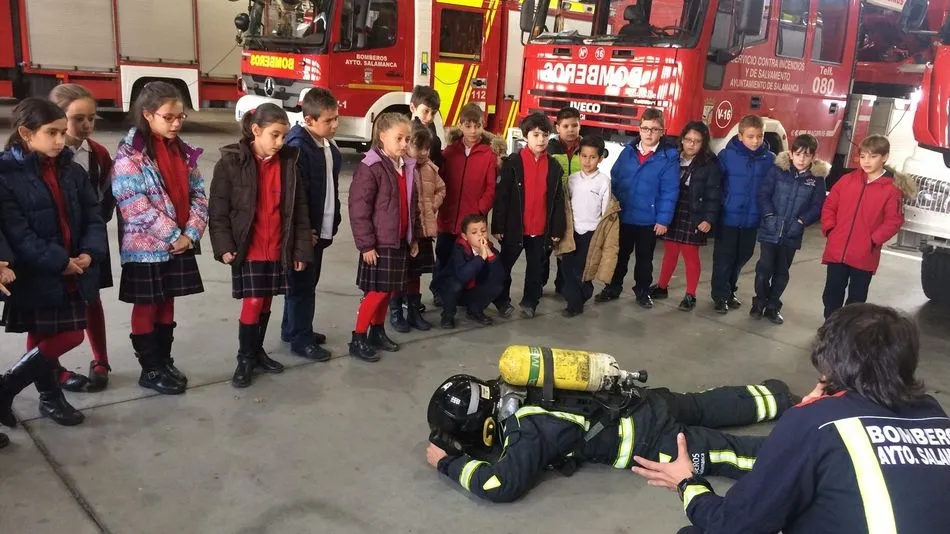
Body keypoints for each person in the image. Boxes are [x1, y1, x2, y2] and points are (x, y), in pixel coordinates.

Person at [633, 303, 950, 533]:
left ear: (829, 364)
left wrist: (688, 483)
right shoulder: (932, 413)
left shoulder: (816, 422)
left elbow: (733, 525)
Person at [425, 350, 799, 503]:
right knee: (708, 403)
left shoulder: (527, 429)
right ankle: (781, 398)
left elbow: (499, 485)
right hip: (644, 399)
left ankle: (799, 458)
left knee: (727, 454)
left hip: (652, 440)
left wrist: (448, 462)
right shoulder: (520, 378)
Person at [0, 97, 108, 427]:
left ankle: (31, 395)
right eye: (52, 133)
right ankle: (24, 392)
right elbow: (18, 232)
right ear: (25, 133)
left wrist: (89, 252)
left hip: (74, 267)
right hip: (38, 272)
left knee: (50, 335)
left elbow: (94, 215)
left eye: (63, 132)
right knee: (64, 335)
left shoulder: (70, 170)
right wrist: (59, 262)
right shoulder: (6, 174)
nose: (61, 141)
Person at [112, 81, 209, 396]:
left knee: (167, 302)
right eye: (168, 117)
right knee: (146, 307)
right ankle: (150, 369)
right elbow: (134, 204)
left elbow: (199, 195)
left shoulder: (183, 150)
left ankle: (164, 361)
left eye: (180, 116)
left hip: (179, 244)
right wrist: (173, 235)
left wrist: (191, 233)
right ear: (148, 115)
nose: (177, 123)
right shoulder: (130, 156)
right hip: (146, 249)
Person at [209, 104, 312, 388]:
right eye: (275, 135)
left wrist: (300, 249)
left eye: (284, 136)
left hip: (278, 246)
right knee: (253, 301)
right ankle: (244, 358)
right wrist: (223, 244)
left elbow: (299, 209)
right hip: (249, 247)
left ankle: (256, 351)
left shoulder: (289, 164)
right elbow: (218, 209)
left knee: (266, 300)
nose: (281, 143)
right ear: (255, 130)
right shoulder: (231, 162)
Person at [48, 83, 115, 392]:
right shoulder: (47, 154)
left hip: (88, 243)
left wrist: (92, 242)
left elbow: (104, 200)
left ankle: (100, 359)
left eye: (91, 118)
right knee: (49, 306)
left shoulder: (99, 155)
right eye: (78, 118)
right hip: (53, 245)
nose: (87, 125)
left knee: (92, 298)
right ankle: (50, 367)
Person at [348, 112, 421, 362]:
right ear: (382, 137)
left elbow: (413, 205)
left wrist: (412, 238)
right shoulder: (371, 167)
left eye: (407, 139)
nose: (404, 144)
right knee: (376, 292)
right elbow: (359, 208)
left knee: (388, 291)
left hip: (399, 240)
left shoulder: (406, 166)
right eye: (399, 138)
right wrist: (366, 244)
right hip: (379, 243)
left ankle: (376, 333)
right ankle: (358, 337)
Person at [820, 135, 916, 319]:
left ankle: (848, 331)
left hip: (864, 254)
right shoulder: (847, 180)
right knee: (832, 292)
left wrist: (873, 240)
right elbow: (830, 205)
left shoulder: (891, 189)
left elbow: (894, 220)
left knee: (857, 298)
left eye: (873, 156)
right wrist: (830, 229)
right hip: (837, 249)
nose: (866, 161)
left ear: (885, 157)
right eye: (863, 156)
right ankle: (830, 326)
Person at [596, 108, 679, 309]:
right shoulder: (628, 152)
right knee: (619, 256)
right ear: (639, 130)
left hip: (648, 221)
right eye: (645, 128)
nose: (649, 133)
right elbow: (616, 178)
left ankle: (642, 291)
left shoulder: (668, 159)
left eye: (654, 129)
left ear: (662, 131)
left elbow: (670, 191)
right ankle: (612, 287)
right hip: (624, 217)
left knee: (644, 260)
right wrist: (611, 207)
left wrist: (663, 220)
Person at [281, 88, 341, 362]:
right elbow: (296, 196)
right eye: (329, 120)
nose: (335, 125)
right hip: (306, 234)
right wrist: (303, 233)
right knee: (302, 286)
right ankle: (301, 338)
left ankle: (292, 328)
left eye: (336, 118)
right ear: (309, 120)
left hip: (321, 229)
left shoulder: (326, 144)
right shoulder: (297, 148)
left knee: (305, 283)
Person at [491, 112, 567, 319]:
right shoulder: (513, 163)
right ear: (525, 136)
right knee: (504, 267)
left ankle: (530, 301)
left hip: (541, 230)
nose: (541, 139)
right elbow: (502, 197)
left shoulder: (554, 167)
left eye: (545, 135)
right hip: (515, 227)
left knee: (536, 270)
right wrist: (497, 226)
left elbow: (558, 201)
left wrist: (556, 229)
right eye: (536, 135)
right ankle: (501, 300)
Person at [753, 134, 828, 324]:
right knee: (764, 269)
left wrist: (801, 222)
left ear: (813, 157)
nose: (802, 159)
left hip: (792, 233)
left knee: (781, 272)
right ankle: (759, 302)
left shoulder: (816, 179)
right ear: (791, 153)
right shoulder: (777, 170)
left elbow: (817, 206)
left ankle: (772, 306)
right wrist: (769, 216)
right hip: (770, 229)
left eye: (807, 155)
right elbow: (764, 194)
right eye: (799, 154)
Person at [433, 103, 502, 307]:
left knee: (469, 261)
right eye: (468, 125)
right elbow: (440, 182)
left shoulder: (489, 156)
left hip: (471, 222)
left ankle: (465, 294)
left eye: (477, 126)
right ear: (460, 126)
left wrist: (480, 210)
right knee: (443, 257)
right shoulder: (449, 153)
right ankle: (439, 291)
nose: (473, 130)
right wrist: (440, 206)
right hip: (447, 220)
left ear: (483, 126)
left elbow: (491, 188)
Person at [649, 122, 721, 311]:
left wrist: (708, 219)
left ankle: (691, 294)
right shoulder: (673, 157)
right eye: (688, 139)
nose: (691, 144)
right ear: (682, 139)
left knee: (690, 254)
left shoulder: (710, 165)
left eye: (697, 141)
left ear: (703, 143)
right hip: (674, 207)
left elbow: (714, 195)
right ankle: (662, 286)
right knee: (670, 251)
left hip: (695, 212)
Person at [710, 115, 774, 314]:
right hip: (729, 218)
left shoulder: (770, 160)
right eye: (750, 136)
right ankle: (720, 295)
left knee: (742, 256)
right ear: (740, 136)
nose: (755, 141)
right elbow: (716, 185)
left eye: (759, 136)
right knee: (724, 258)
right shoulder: (727, 156)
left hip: (752, 220)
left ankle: (730, 290)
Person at [555, 136, 619, 317]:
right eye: (583, 156)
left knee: (582, 270)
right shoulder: (572, 180)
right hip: (571, 232)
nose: (587, 161)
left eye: (592, 157)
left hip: (590, 233)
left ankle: (580, 298)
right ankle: (575, 301)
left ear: (600, 158)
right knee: (567, 268)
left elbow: (607, 212)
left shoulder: (603, 182)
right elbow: (566, 205)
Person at [391, 123, 445, 332]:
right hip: (405, 232)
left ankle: (414, 311)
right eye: (418, 147)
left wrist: (433, 204)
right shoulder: (402, 168)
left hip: (424, 231)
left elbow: (442, 189)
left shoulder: (431, 168)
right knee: (400, 274)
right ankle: (396, 312)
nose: (423, 153)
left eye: (426, 148)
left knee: (416, 274)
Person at [439, 214, 505, 328]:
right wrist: (480, 258)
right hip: (452, 291)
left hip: (472, 290)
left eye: (483, 231)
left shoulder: (490, 249)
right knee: (455, 284)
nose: (480, 234)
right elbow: (462, 276)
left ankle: (475, 310)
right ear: (465, 236)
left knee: (497, 284)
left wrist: (489, 254)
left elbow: (501, 276)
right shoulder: (459, 250)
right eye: (474, 233)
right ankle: (447, 315)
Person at [545, 106, 583, 295]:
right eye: (566, 125)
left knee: (568, 248)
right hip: (551, 206)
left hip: (576, 208)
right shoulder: (549, 149)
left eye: (574, 125)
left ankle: (563, 284)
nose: (570, 129)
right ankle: (539, 282)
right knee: (545, 249)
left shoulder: (585, 149)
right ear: (557, 127)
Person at [409, 85, 443, 168]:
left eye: (433, 113)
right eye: (426, 111)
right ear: (412, 108)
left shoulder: (435, 141)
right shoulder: (400, 134)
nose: (430, 118)